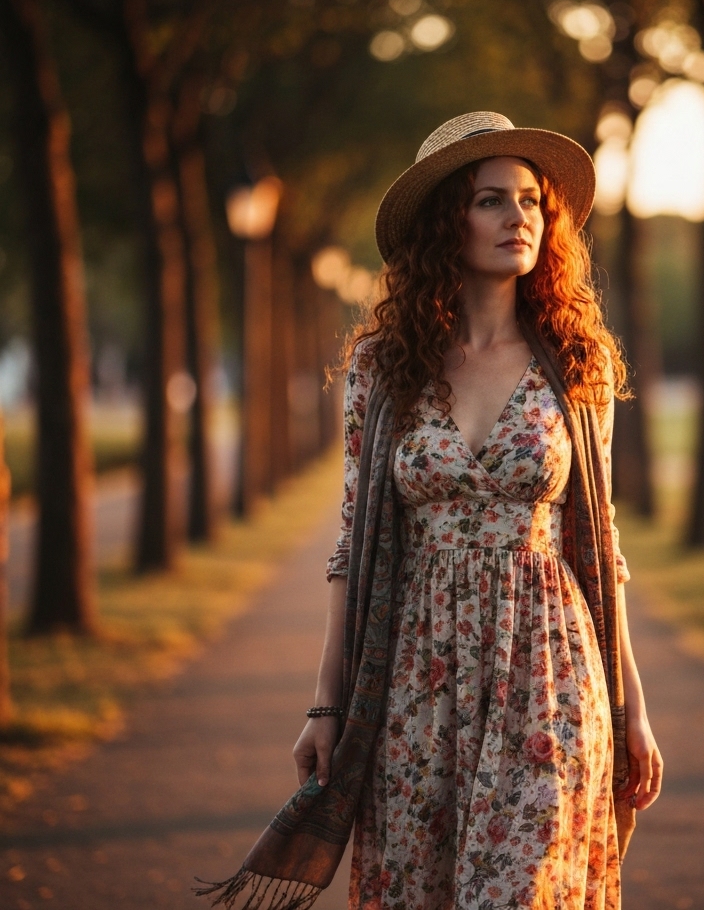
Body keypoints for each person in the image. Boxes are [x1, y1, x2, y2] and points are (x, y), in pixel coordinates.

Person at [198, 112, 662, 910]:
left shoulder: (576, 362)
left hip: (547, 669)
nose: (518, 217)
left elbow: (603, 541)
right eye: (491, 200)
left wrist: (632, 709)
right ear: (447, 220)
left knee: (522, 894)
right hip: (418, 671)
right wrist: (326, 705)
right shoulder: (385, 369)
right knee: (421, 890)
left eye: (530, 201)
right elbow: (351, 544)